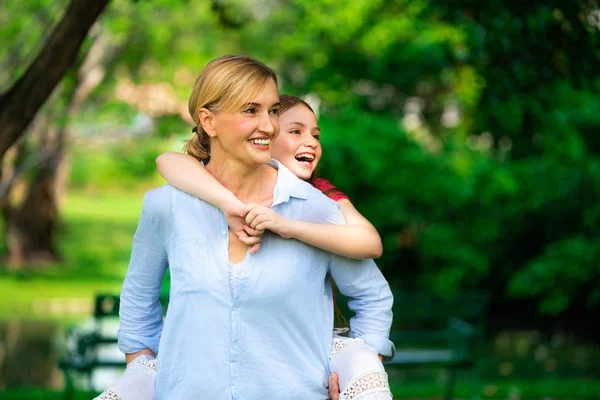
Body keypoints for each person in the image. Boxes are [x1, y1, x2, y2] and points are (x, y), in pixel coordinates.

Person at [101, 54, 394, 400]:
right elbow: (137, 302)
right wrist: (144, 370)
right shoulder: (167, 206)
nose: (269, 126)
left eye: (272, 111)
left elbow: (372, 296)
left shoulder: (312, 207)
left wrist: (357, 370)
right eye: (250, 111)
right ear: (209, 121)